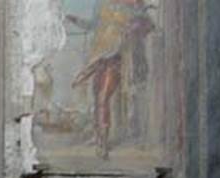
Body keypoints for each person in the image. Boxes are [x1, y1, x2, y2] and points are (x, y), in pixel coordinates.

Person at [66, 1, 156, 158]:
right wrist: (74, 20)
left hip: (118, 56)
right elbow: (93, 25)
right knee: (97, 98)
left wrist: (133, 29)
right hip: (98, 56)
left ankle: (104, 142)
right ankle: (99, 138)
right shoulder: (101, 4)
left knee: (103, 98)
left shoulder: (134, 3)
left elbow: (149, 25)